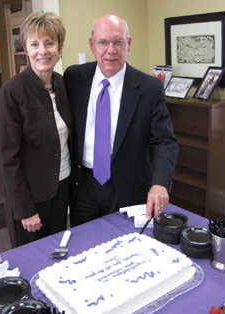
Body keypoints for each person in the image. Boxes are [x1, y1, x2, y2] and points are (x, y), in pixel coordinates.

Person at [64, 14, 178, 227]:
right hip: (83, 186)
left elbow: (165, 141)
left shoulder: (149, 88)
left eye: (118, 42)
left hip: (128, 188)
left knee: (126, 249)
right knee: (84, 246)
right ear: (92, 44)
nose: (111, 50)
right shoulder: (73, 78)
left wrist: (160, 184)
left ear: (129, 43)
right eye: (103, 42)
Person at [0, 12, 72, 248]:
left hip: (62, 189)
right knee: (31, 261)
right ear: (25, 48)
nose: (43, 51)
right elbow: (8, 159)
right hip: (31, 197)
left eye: (50, 43)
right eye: (35, 44)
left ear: (59, 48)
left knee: (58, 256)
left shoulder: (62, 83)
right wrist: (25, 209)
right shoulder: (11, 93)